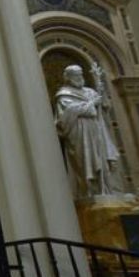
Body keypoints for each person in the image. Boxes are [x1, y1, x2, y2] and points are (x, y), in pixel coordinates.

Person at [54, 64, 122, 198]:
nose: (79, 78)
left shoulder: (90, 92)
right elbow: (64, 118)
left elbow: (105, 107)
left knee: (102, 161)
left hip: (97, 131)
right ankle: (90, 192)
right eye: (75, 75)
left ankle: (107, 189)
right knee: (86, 164)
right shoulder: (64, 95)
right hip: (80, 134)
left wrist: (101, 97)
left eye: (80, 74)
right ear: (68, 78)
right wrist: (91, 104)